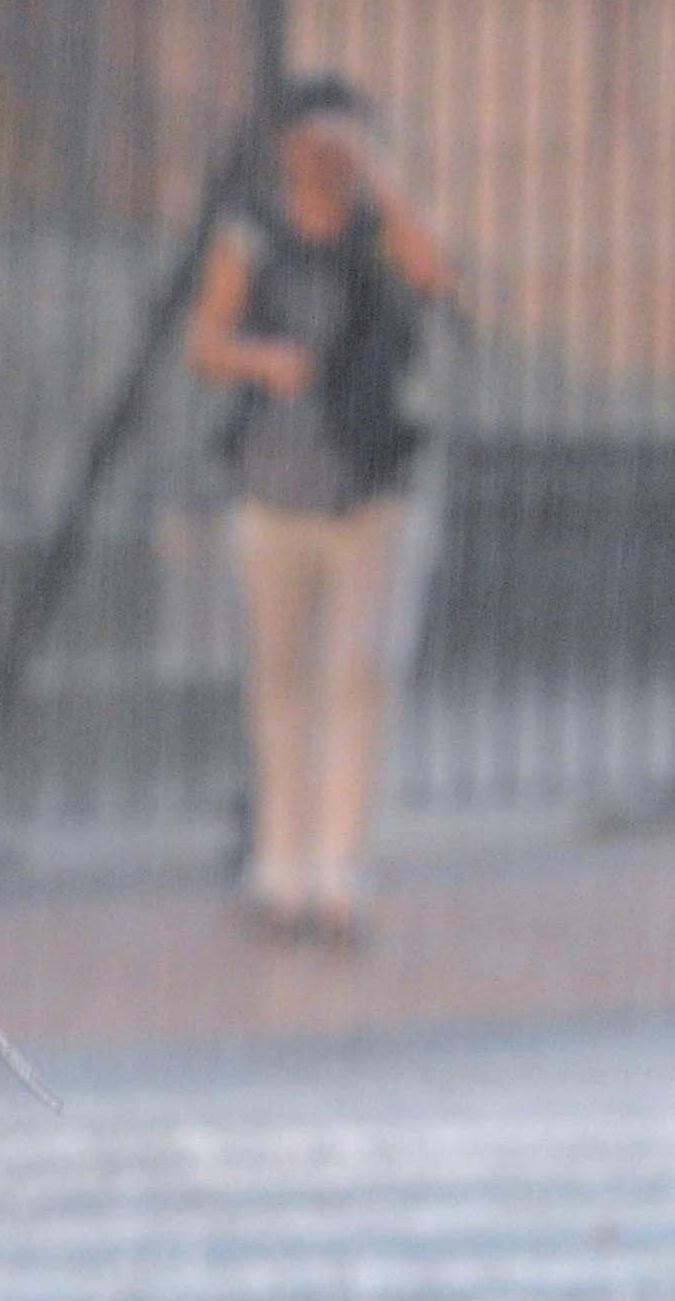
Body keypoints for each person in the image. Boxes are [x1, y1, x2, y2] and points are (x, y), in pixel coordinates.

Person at [187, 73, 452, 945]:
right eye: (312, 142)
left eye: (339, 142)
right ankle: (283, 863)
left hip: (373, 486)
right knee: (281, 676)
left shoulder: (383, 229)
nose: (322, 159)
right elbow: (206, 342)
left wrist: (379, 176)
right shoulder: (252, 232)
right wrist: (267, 362)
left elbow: (439, 278)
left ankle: (341, 866)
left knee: (360, 675)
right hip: (275, 486)